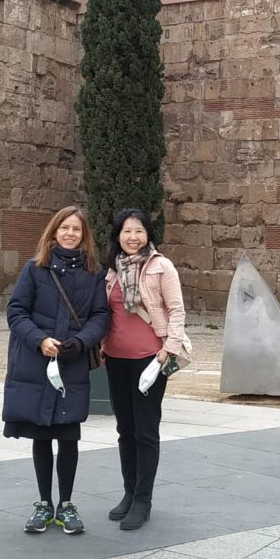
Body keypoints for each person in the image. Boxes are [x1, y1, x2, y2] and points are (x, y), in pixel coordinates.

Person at [2, 206, 110, 535]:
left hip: (71, 363)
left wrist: (81, 341)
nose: (70, 234)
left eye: (77, 229)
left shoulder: (94, 273)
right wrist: (39, 340)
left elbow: (100, 316)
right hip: (37, 363)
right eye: (65, 228)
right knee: (40, 433)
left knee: (67, 434)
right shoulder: (35, 269)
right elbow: (16, 311)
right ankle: (43, 503)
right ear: (54, 231)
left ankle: (66, 504)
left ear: (84, 236)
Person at [102, 208, 189, 530]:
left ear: (148, 235)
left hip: (150, 360)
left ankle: (143, 500)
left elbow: (177, 310)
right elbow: (106, 314)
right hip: (115, 359)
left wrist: (169, 350)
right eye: (127, 231)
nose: (133, 237)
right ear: (118, 236)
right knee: (125, 430)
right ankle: (128, 493)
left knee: (145, 430)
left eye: (139, 231)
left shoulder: (161, 266)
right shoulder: (111, 271)